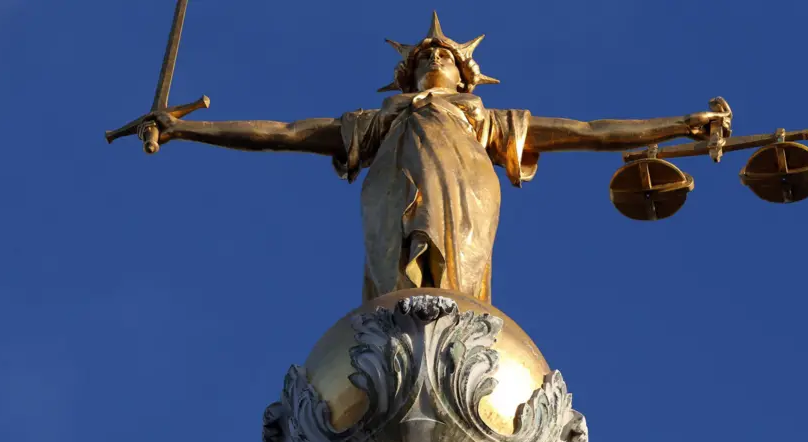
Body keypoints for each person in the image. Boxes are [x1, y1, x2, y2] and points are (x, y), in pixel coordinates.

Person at [144, 13, 731, 304]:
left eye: (443, 55)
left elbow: (589, 130)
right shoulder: (380, 121)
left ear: (466, 73)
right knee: (397, 283)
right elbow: (284, 133)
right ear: (405, 74)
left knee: (455, 292)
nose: (433, 58)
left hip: (468, 191)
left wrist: (683, 123)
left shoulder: (482, 120)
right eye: (424, 56)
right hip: (393, 191)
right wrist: (186, 131)